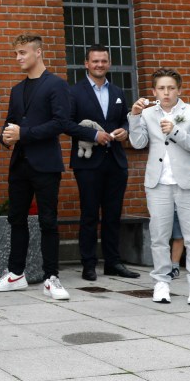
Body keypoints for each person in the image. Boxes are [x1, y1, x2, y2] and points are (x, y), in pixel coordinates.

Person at [0, 34, 71, 301]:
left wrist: (24, 134)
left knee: (48, 221)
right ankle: (15, 274)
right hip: (20, 165)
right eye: (16, 53)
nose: (18, 58)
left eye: (22, 52)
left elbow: (60, 123)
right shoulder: (16, 90)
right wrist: (5, 137)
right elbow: (11, 123)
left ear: (38, 52)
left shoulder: (56, 85)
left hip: (46, 164)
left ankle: (51, 277)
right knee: (16, 220)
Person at [129, 68, 190, 306]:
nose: (166, 92)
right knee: (159, 236)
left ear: (179, 90)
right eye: (162, 88)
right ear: (154, 91)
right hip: (158, 183)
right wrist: (134, 117)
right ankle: (161, 282)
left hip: (189, 183)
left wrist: (175, 131)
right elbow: (138, 142)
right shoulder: (147, 114)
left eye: (171, 88)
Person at [66, 44, 138, 281]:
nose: (99, 65)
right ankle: (88, 264)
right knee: (89, 215)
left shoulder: (117, 92)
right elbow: (66, 124)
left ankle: (113, 263)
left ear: (109, 63)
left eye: (103, 61)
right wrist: (93, 135)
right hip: (88, 164)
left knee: (113, 214)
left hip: (116, 161)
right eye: (95, 61)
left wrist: (125, 132)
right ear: (86, 64)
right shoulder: (74, 92)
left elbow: (125, 119)